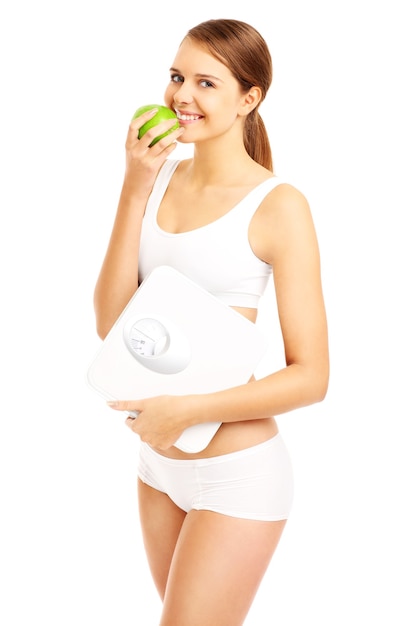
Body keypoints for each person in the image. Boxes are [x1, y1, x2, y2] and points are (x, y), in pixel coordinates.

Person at [93, 18, 329, 626]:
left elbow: (312, 377)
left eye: (206, 83)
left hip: (237, 476)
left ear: (249, 99)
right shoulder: (158, 176)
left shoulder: (278, 206)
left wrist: (188, 411)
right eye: (176, 77)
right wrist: (134, 183)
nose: (182, 97)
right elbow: (111, 323)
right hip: (157, 467)